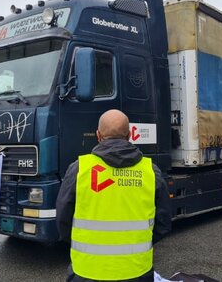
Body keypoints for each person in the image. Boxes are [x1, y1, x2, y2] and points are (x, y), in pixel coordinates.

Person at [56, 109, 172, 282]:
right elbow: (163, 223)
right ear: (130, 135)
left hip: (87, 271)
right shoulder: (150, 171)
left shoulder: (80, 169)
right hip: (136, 271)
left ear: (98, 135)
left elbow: (63, 220)